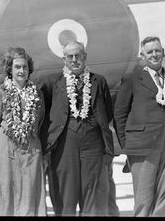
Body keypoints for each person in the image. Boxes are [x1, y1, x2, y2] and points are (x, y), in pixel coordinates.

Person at [40, 40, 115, 216]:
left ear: (85, 56)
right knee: (65, 197)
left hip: (93, 145)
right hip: (65, 146)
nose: (74, 60)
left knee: (93, 196)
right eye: (70, 56)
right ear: (64, 59)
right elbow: (42, 117)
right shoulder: (52, 82)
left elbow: (107, 113)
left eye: (78, 55)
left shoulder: (99, 81)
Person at [113, 36, 165, 217]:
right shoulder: (132, 79)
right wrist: (127, 145)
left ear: (163, 52)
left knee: (164, 195)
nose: (154, 54)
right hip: (142, 146)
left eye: (157, 50)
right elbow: (119, 114)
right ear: (142, 55)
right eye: (150, 52)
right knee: (144, 199)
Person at [0, 47, 46, 216]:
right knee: (5, 200)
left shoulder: (37, 95)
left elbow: (40, 124)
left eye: (25, 67)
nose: (22, 70)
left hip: (31, 154)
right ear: (10, 69)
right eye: (17, 67)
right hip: (5, 154)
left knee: (29, 198)